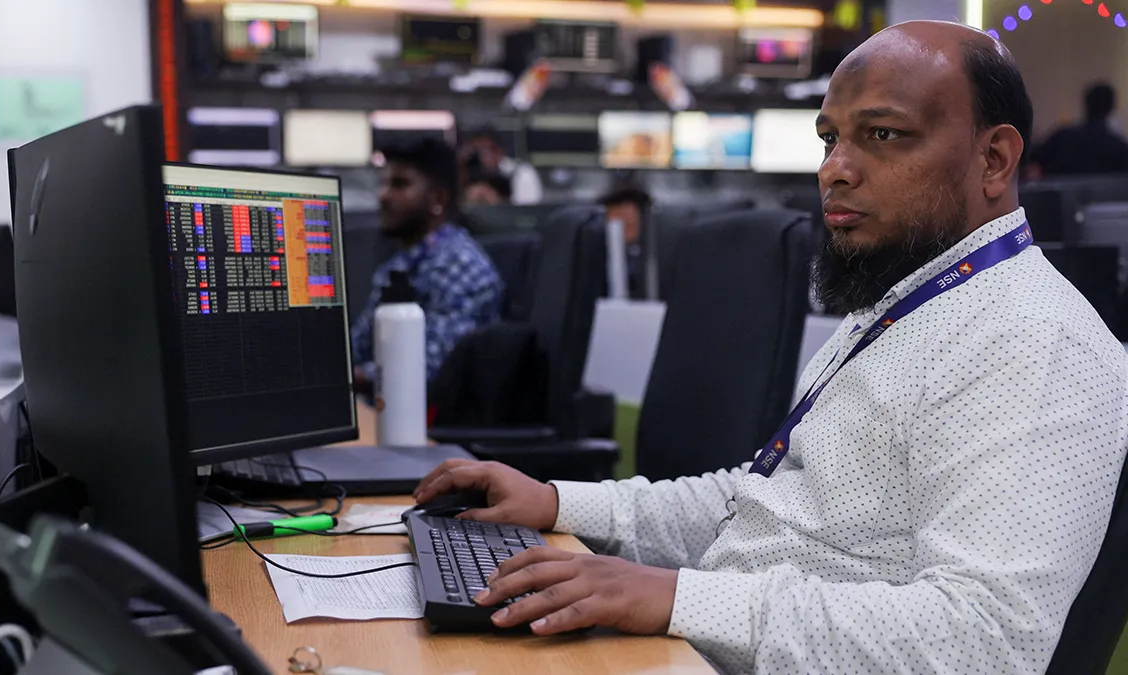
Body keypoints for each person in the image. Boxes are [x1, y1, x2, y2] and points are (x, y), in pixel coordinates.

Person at [413, 21, 1128, 674]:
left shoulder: (1033, 342)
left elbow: (984, 641)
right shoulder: (907, 302)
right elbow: (758, 504)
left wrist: (678, 599)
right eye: (829, 139)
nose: (834, 169)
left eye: (882, 135)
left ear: (994, 158)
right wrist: (557, 501)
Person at [350, 138, 503, 386]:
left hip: (430, 418)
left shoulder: (459, 267)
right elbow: (359, 346)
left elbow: (427, 368)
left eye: (400, 184)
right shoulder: (400, 265)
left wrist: (345, 377)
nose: (384, 196)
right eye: (384, 183)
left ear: (438, 199)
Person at [1028, 82, 1128, 178]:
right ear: (1111, 108)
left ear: (1087, 104)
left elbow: (1031, 158)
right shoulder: (1119, 148)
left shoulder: (1062, 137)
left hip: (1056, 196)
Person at [460, 129, 543, 205]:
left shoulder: (521, 173)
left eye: (484, 151)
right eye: (475, 151)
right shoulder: (466, 173)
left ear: (498, 150)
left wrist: (495, 201)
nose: (480, 157)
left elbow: (527, 210)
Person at [598, 183, 652, 298]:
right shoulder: (594, 259)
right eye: (616, 223)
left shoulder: (654, 260)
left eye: (629, 225)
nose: (622, 231)